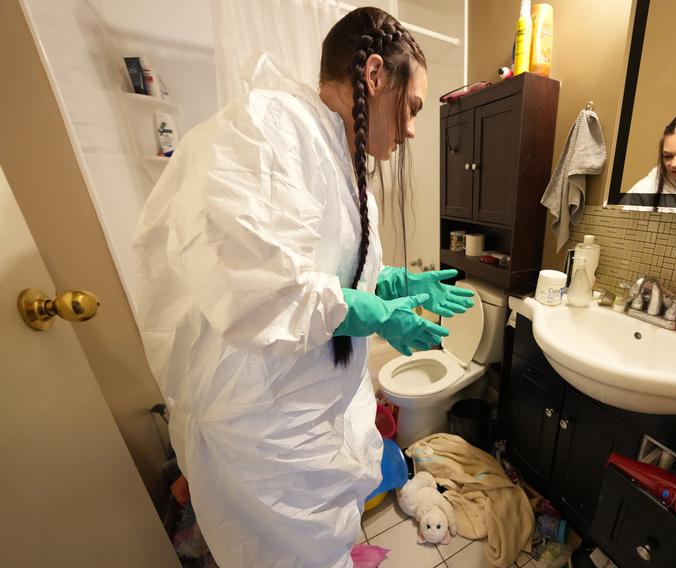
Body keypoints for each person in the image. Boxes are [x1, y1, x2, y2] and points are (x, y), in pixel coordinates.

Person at [133, 7, 474, 568]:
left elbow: (332, 274)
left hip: (309, 408)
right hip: (264, 422)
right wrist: (376, 312)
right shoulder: (268, 129)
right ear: (372, 75)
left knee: (321, 548)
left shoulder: (344, 167)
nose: (412, 128)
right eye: (411, 107)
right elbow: (260, 289)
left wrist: (392, 283)